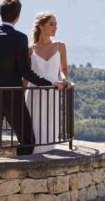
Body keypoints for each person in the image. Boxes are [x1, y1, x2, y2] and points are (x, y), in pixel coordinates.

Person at [0, 0, 66, 157]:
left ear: (1, 14)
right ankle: (21, 168)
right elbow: (25, 72)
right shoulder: (19, 38)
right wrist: (49, 84)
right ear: (17, 16)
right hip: (12, 96)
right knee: (27, 139)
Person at [25, 11, 71, 154]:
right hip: (34, 93)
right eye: (51, 24)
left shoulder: (60, 46)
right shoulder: (30, 49)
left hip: (52, 91)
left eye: (56, 24)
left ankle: (48, 154)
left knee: (49, 126)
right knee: (34, 126)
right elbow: (26, 76)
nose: (55, 27)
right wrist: (19, 94)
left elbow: (63, 69)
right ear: (41, 26)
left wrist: (64, 79)